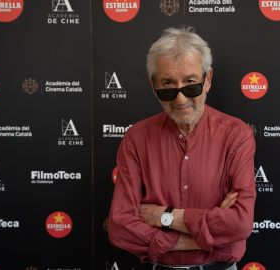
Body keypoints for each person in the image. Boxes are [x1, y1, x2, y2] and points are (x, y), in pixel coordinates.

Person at [108, 26, 256, 270]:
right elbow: (120, 228)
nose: (180, 99)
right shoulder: (136, 139)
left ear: (207, 80)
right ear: (153, 84)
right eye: (168, 85)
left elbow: (239, 224)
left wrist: (165, 217)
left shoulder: (236, 135)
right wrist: (200, 237)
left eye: (190, 84)